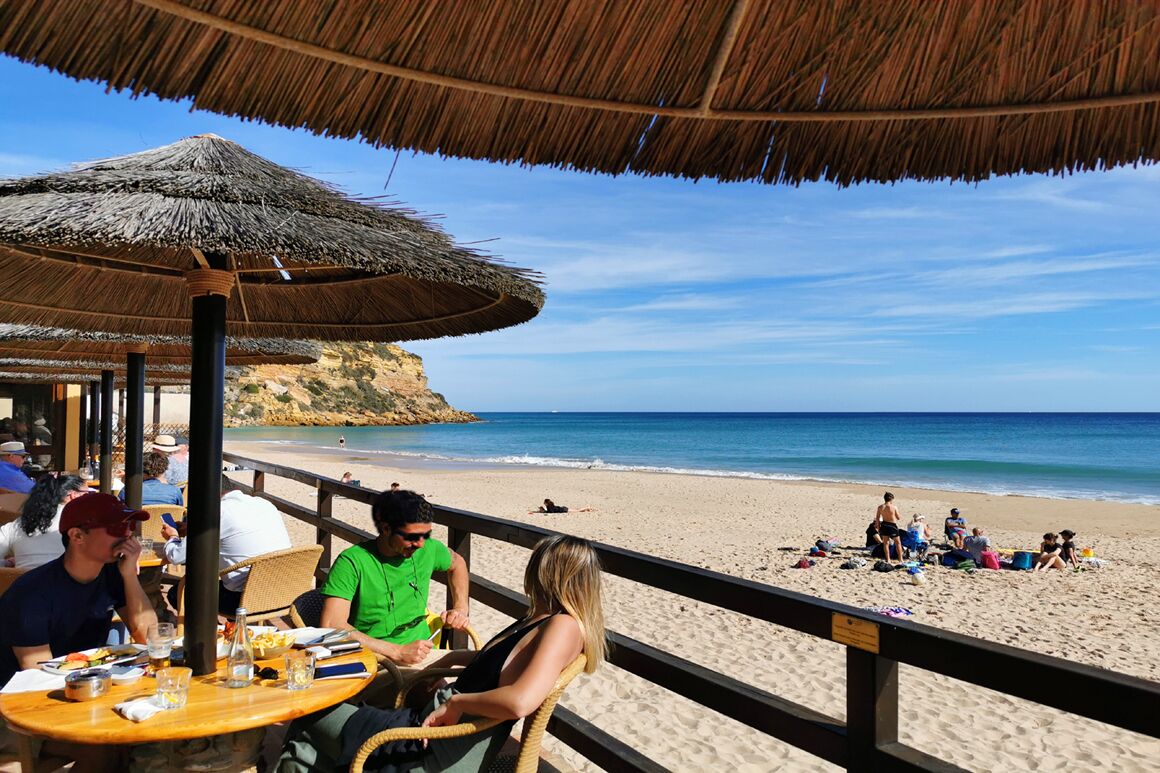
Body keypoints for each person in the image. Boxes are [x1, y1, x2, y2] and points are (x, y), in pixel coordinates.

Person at [279, 535, 606, 773]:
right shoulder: (544, 617)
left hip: (434, 747)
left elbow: (520, 701)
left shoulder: (563, 626)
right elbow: (507, 666)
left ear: (547, 572)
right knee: (303, 746)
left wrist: (456, 702)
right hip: (432, 729)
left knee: (308, 710)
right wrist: (451, 660)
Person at [320, 489, 470, 665]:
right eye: (412, 537)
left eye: (425, 535)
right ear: (386, 529)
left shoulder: (427, 549)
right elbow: (331, 624)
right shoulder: (352, 561)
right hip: (374, 658)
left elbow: (457, 563)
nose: (420, 544)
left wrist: (460, 607)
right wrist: (397, 651)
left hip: (425, 653)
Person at [161, 481, 292, 614]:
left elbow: (176, 556)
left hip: (244, 599)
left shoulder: (214, 513)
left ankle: (214, 633)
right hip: (285, 590)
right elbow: (237, 533)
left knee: (177, 592)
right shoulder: (264, 504)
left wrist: (173, 537)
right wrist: (194, 530)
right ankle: (231, 629)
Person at [0, 474, 87, 569]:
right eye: (88, 494)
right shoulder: (79, 523)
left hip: (25, 581)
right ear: (73, 496)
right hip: (65, 581)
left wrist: (6, 564)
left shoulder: (16, 525)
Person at [874, 492, 903, 562]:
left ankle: (888, 559)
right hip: (892, 525)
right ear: (891, 499)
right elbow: (898, 517)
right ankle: (900, 559)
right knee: (898, 543)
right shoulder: (894, 507)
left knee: (885, 543)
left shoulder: (880, 507)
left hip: (884, 525)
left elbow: (877, 518)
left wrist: (878, 527)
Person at [530, 498, 595, 514]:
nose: (543, 503)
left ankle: (587, 507)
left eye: (544, 503)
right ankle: (587, 509)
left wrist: (543, 511)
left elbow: (551, 512)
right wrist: (543, 510)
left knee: (577, 511)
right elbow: (550, 511)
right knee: (576, 510)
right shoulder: (549, 505)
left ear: (546, 503)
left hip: (564, 510)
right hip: (563, 508)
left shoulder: (549, 506)